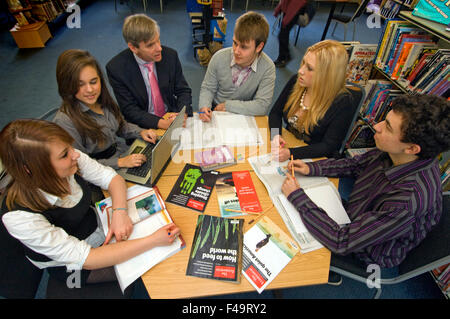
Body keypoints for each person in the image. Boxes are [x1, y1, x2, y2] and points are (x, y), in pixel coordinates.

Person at [0, 119, 181, 296]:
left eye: (70, 147)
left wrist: (119, 212)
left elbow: (112, 178)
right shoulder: (19, 216)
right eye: (64, 155)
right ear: (31, 169)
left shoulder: (70, 158)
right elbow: (88, 259)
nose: (75, 155)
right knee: (157, 262)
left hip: (97, 224)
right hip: (72, 264)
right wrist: (153, 240)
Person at [281, 94, 450, 270]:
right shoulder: (398, 152)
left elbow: (342, 241)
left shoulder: (407, 200)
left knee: (284, 232)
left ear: (411, 148)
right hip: (355, 215)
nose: (377, 127)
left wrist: (298, 197)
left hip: (365, 251)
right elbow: (355, 164)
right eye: (384, 120)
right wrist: (311, 168)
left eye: (388, 128)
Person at [54, 49, 157, 171]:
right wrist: (119, 162)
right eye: (80, 84)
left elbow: (120, 126)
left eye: (94, 82)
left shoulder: (102, 99)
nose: (90, 90)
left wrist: (140, 132)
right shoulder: (65, 122)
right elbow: (80, 165)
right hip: (101, 170)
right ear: (67, 85)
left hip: (122, 154)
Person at [269, 40, 354, 161]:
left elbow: (328, 146)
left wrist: (290, 153)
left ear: (326, 75)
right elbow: (275, 113)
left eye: (309, 68)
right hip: (289, 145)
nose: (300, 71)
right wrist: (275, 135)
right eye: (303, 63)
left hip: (314, 159)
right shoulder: (297, 81)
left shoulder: (343, 102)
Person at [106, 14, 192, 130]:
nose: (159, 48)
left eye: (158, 40)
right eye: (150, 45)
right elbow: (130, 110)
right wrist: (161, 124)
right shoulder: (117, 69)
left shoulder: (170, 56)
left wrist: (182, 114)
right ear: (133, 48)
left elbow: (183, 90)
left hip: (172, 116)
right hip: (144, 127)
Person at [198, 11, 275, 122]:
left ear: (259, 47)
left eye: (244, 47)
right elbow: (208, 88)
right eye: (235, 43)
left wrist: (227, 106)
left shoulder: (268, 68)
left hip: (244, 113)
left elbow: (261, 106)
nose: (236, 51)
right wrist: (204, 107)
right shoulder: (219, 57)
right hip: (216, 110)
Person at [273, 0, 316, 68]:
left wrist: (286, 19)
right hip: (291, 7)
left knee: (283, 34)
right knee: (283, 34)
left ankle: (284, 57)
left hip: (297, 8)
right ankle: (283, 57)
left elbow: (295, 5)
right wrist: (278, 8)